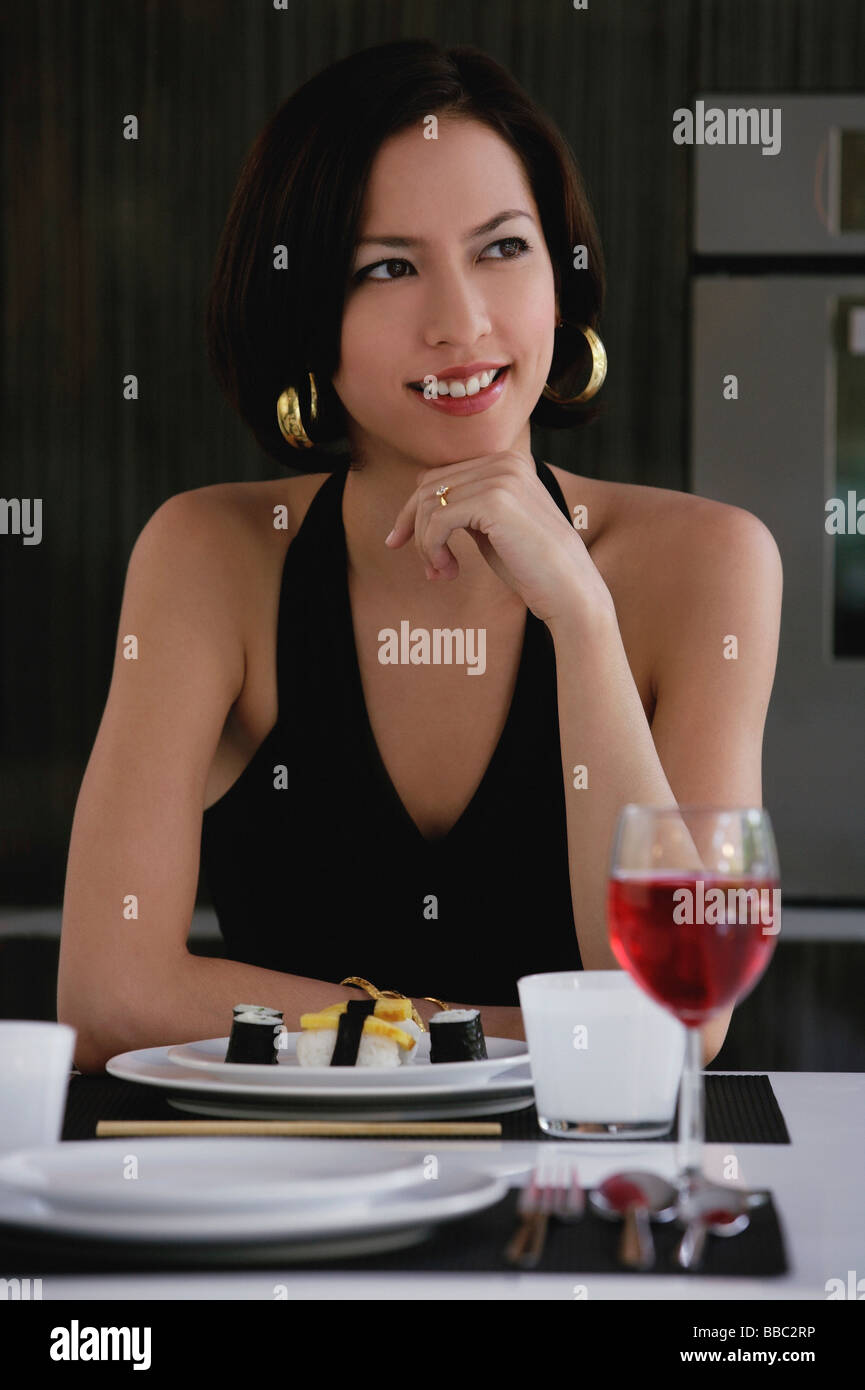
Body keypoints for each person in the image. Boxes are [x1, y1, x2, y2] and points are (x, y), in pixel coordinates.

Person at [58, 40, 782, 1073]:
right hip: (278, 1200)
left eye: (501, 249)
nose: (461, 322)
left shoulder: (710, 564)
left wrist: (581, 619)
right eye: (387, 267)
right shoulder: (211, 557)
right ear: (306, 313)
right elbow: (109, 994)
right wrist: (520, 1043)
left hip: (580, 1199)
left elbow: (682, 1010)